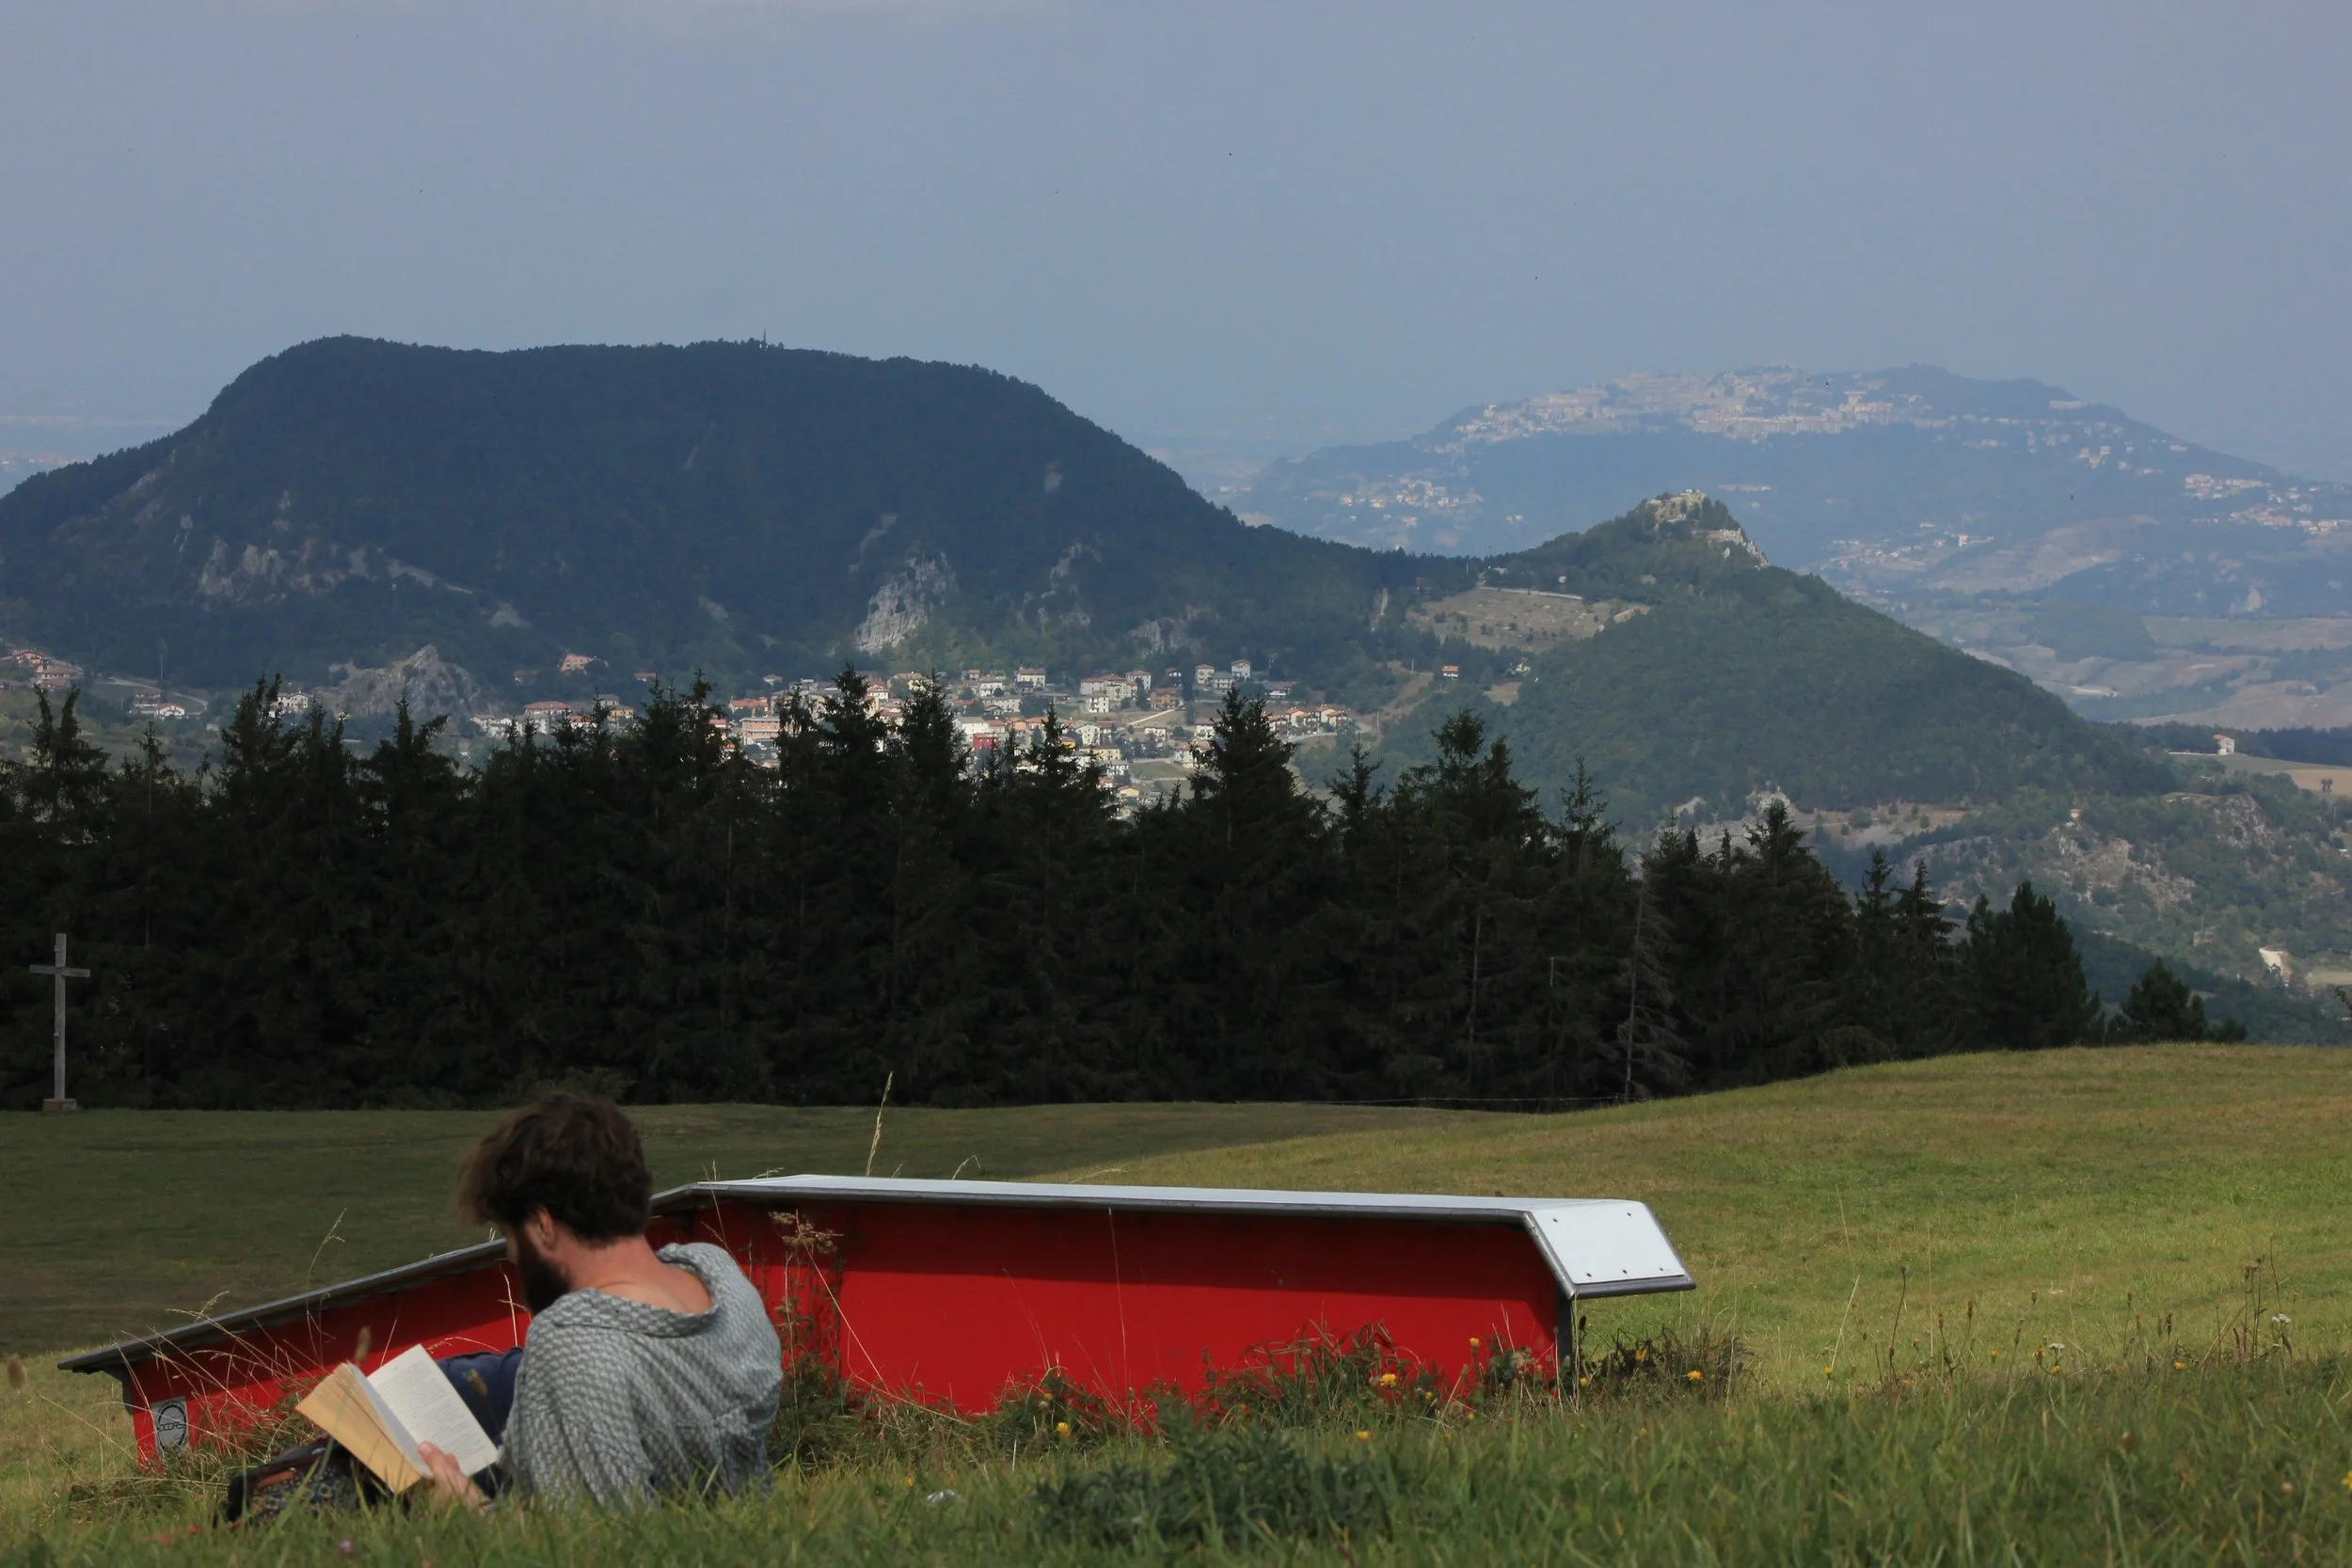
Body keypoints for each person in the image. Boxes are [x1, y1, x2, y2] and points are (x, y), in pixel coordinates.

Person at [415, 1092, 781, 1509]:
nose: (512, 1254)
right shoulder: (720, 1278)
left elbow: (590, 1547)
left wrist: (472, 1514)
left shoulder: (573, 1343)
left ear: (541, 1222)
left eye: (509, 1233)